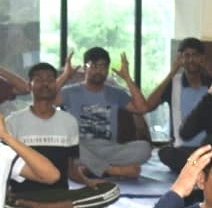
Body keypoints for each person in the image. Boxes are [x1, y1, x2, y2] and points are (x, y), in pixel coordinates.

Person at [2, 62, 120, 208]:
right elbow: (5, 167)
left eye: (50, 80)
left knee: (112, 190)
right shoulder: (13, 122)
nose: (45, 84)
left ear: (56, 85)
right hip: (23, 195)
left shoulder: (69, 121)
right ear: (29, 85)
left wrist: (88, 182)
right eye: (39, 79)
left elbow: (71, 169)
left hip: (60, 195)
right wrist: (5, 193)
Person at [58, 47, 152, 178]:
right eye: (93, 66)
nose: (98, 71)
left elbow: (142, 108)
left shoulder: (116, 93)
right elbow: (45, 100)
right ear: (85, 68)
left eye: (103, 66)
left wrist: (127, 78)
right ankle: (111, 170)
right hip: (81, 147)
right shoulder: (69, 92)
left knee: (144, 149)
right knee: (67, 145)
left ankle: (90, 168)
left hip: (109, 149)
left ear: (107, 70)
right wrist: (65, 75)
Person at [144, 37, 212, 172]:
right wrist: (172, 72)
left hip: (208, 148)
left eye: (195, 55)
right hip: (182, 149)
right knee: (165, 153)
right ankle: (200, 167)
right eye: (186, 56)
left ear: (202, 58)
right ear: (180, 59)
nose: (191, 60)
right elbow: (148, 105)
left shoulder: (211, 82)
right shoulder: (174, 83)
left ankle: (196, 166)